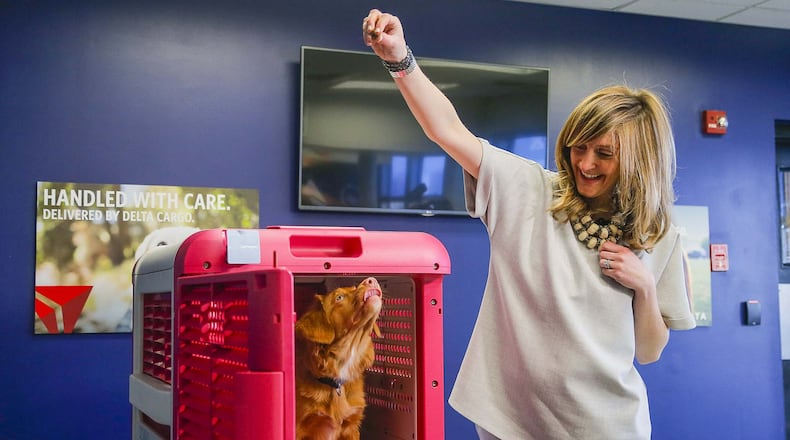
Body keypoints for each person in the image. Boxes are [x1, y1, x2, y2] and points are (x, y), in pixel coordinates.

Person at [362, 9, 696, 440]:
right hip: (511, 421)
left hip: (605, 426)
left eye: (604, 154)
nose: (585, 163)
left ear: (639, 161)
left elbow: (649, 352)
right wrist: (399, 59)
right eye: (578, 147)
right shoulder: (532, 191)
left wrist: (645, 286)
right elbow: (447, 130)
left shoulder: (660, 235)